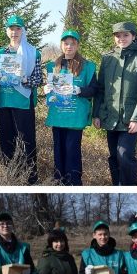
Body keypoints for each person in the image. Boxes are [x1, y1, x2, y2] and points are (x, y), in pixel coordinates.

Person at [92, 22, 137, 186]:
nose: (121, 39)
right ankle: (117, 186)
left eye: (125, 35)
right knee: (114, 156)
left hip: (130, 120)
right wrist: (97, 114)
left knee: (125, 155)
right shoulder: (107, 58)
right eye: (118, 35)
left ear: (133, 36)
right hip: (110, 117)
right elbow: (101, 88)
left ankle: (130, 187)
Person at [0, 15, 42, 184]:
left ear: (23, 31)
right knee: (6, 141)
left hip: (24, 103)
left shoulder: (33, 52)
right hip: (4, 103)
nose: (14, 32)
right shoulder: (0, 54)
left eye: (18, 29)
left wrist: (24, 79)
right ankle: (12, 175)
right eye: (11, 29)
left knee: (27, 141)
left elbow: (38, 79)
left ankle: (31, 177)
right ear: (7, 32)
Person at [43, 30, 97, 186]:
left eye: (73, 44)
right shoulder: (53, 66)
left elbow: (94, 89)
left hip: (75, 117)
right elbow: (51, 89)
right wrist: (46, 89)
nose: (69, 47)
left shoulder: (88, 67)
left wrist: (79, 90)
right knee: (58, 150)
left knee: (72, 150)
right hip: (58, 115)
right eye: (66, 43)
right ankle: (59, 180)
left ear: (78, 45)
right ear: (61, 45)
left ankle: (74, 181)